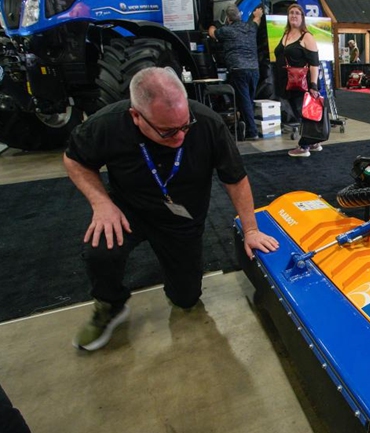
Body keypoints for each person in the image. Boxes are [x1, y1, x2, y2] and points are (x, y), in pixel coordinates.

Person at [64, 67, 279, 352]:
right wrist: (101, 203)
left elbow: (235, 179)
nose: (180, 137)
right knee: (100, 249)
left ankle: (178, 282)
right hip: (129, 210)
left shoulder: (207, 123)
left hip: (183, 218)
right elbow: (75, 160)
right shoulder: (107, 124)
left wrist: (251, 229)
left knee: (186, 299)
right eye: (167, 131)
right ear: (136, 117)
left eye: (184, 126)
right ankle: (109, 304)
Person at [274, 3, 323, 158]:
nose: (293, 15)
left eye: (297, 13)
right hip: (288, 83)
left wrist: (313, 85)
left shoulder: (307, 37)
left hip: (303, 84)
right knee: (299, 112)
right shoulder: (286, 34)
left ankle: (304, 146)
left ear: (302, 17)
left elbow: (314, 64)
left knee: (305, 114)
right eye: (291, 13)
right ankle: (313, 142)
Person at [208, 4, 263, 141]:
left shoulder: (226, 30)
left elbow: (212, 33)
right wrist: (257, 14)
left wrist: (212, 26)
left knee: (244, 101)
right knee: (248, 101)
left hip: (238, 70)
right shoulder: (250, 27)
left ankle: (252, 131)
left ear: (227, 18)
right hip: (254, 70)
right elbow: (256, 21)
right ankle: (244, 126)